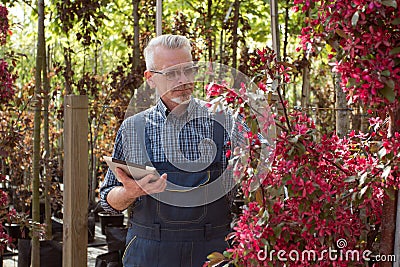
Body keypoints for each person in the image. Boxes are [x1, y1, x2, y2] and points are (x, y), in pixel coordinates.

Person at [100, 34, 239, 267]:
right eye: (172, 73)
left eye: (188, 70)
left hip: (213, 250)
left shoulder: (226, 121)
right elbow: (108, 200)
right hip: (149, 251)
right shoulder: (133, 128)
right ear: (151, 78)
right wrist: (130, 192)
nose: (183, 79)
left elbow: (256, 188)